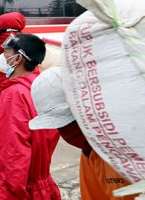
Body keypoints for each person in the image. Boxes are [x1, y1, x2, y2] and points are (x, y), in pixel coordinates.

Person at [29, 67, 137, 200]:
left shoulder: (124, 153)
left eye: (68, 121)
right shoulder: (89, 148)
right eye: (59, 125)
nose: (65, 130)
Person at [0, 33, 61, 200]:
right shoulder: (42, 87)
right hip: (44, 187)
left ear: (18, 59)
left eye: (6, 53)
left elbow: (14, 158)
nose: (2, 58)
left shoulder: (14, 95)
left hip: (24, 192)